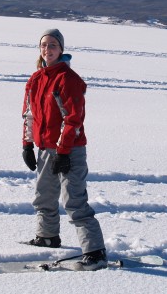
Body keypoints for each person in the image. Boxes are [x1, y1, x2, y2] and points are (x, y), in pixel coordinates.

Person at [21, 28, 107, 271]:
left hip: (70, 150)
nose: (47, 50)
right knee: (43, 195)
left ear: (61, 49)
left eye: (52, 45)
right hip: (45, 148)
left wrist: (63, 151)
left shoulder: (69, 80)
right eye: (44, 45)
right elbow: (29, 114)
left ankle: (95, 252)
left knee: (74, 201)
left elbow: (73, 120)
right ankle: (47, 236)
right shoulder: (35, 79)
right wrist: (27, 144)